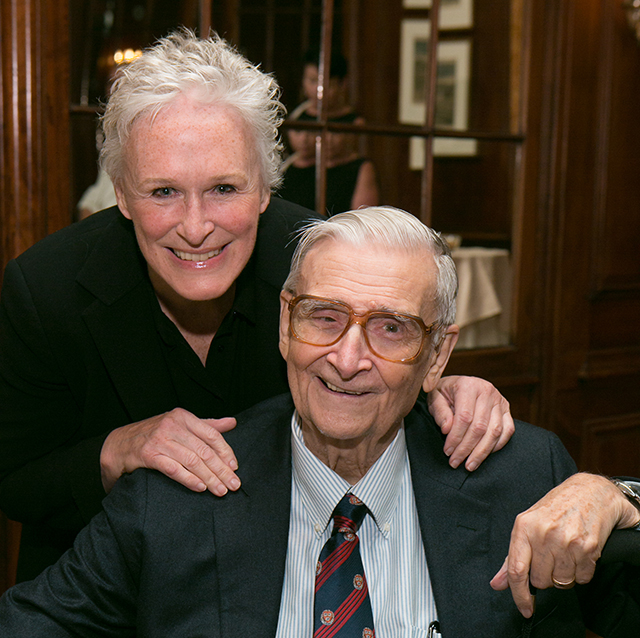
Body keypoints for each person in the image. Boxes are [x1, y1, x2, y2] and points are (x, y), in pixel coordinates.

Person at [0, 30, 513, 583]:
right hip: (104, 600)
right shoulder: (46, 288)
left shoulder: (316, 267)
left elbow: (373, 363)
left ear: (266, 189)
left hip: (275, 592)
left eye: (225, 189)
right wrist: (113, 451)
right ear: (122, 193)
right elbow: (14, 481)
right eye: (163, 192)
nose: (196, 229)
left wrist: (440, 391)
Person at [0, 206, 638, 637]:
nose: (349, 358)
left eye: (392, 328)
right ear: (285, 323)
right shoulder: (175, 496)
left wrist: (620, 498)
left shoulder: (523, 475)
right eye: (324, 317)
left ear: (438, 353)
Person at [279, 49, 379, 215]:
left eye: (326, 84)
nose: (319, 91)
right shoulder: (297, 117)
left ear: (342, 84)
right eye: (311, 81)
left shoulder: (353, 122)